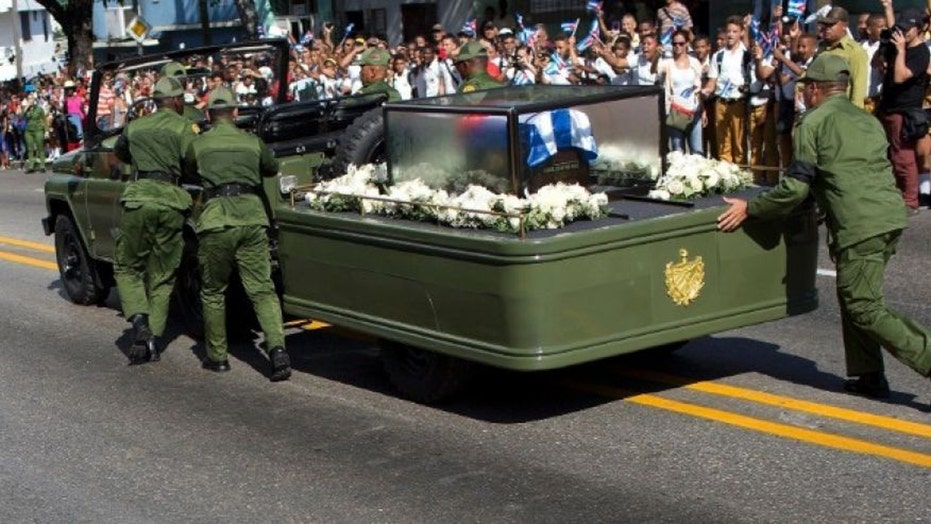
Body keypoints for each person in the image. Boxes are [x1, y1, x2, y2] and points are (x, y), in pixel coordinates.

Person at [717, 54, 931, 401]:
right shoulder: (867, 120)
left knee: (863, 306)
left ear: (815, 88)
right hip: (890, 216)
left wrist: (751, 208)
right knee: (856, 296)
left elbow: (795, 188)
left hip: (860, 225)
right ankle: (868, 374)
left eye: (804, 88)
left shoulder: (813, 122)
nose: (802, 94)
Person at [182, 86, 291, 381]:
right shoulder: (252, 142)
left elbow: (189, 169)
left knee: (213, 291)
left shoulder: (199, 144)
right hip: (251, 217)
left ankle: (217, 357)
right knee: (262, 289)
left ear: (209, 116)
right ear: (236, 112)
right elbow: (271, 168)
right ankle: (277, 350)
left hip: (216, 220)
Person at [113, 77, 197, 363]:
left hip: (139, 199)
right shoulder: (184, 127)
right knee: (163, 274)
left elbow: (120, 151)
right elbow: (193, 161)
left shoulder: (135, 126)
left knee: (127, 267)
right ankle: (153, 337)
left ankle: (139, 323)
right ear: (177, 101)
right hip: (171, 201)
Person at [874, 9, 930, 215]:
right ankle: (896, 196)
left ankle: (910, 201)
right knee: (889, 156)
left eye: (908, 29)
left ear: (919, 29)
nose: (903, 33)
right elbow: (877, 64)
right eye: (901, 28)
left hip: (904, 111)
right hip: (887, 107)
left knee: (903, 157)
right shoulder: (898, 45)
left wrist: (900, 51)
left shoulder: (921, 52)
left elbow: (900, 77)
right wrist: (884, 50)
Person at [703, 16, 750, 163]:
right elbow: (712, 81)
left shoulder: (746, 55)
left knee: (739, 143)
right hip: (721, 102)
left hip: (738, 102)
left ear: (741, 33)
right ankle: (726, 173)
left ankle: (741, 172)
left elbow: (750, 78)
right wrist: (706, 90)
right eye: (728, 31)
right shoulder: (718, 56)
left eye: (735, 31)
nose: (730, 35)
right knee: (723, 143)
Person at [659, 29, 703, 155]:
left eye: (681, 43)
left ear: (687, 44)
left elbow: (698, 88)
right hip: (675, 112)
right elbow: (653, 70)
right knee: (678, 152)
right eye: (674, 44)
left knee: (697, 151)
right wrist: (657, 56)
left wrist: (703, 110)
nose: (677, 46)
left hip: (694, 111)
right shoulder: (667, 63)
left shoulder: (694, 62)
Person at [816, 6, 869, 109]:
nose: (827, 28)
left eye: (832, 24)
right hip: (819, 107)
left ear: (844, 26)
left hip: (840, 109)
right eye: (825, 24)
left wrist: (853, 114)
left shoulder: (854, 51)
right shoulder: (822, 47)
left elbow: (858, 87)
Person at [22, 93, 48, 173]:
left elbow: (44, 120)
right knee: (30, 148)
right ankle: (31, 166)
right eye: (29, 99)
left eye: (32, 99)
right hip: (28, 130)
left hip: (38, 129)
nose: (31, 100)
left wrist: (46, 131)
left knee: (40, 147)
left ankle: (42, 166)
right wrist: (26, 108)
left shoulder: (39, 109)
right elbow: (22, 117)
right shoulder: (26, 109)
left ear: (34, 100)